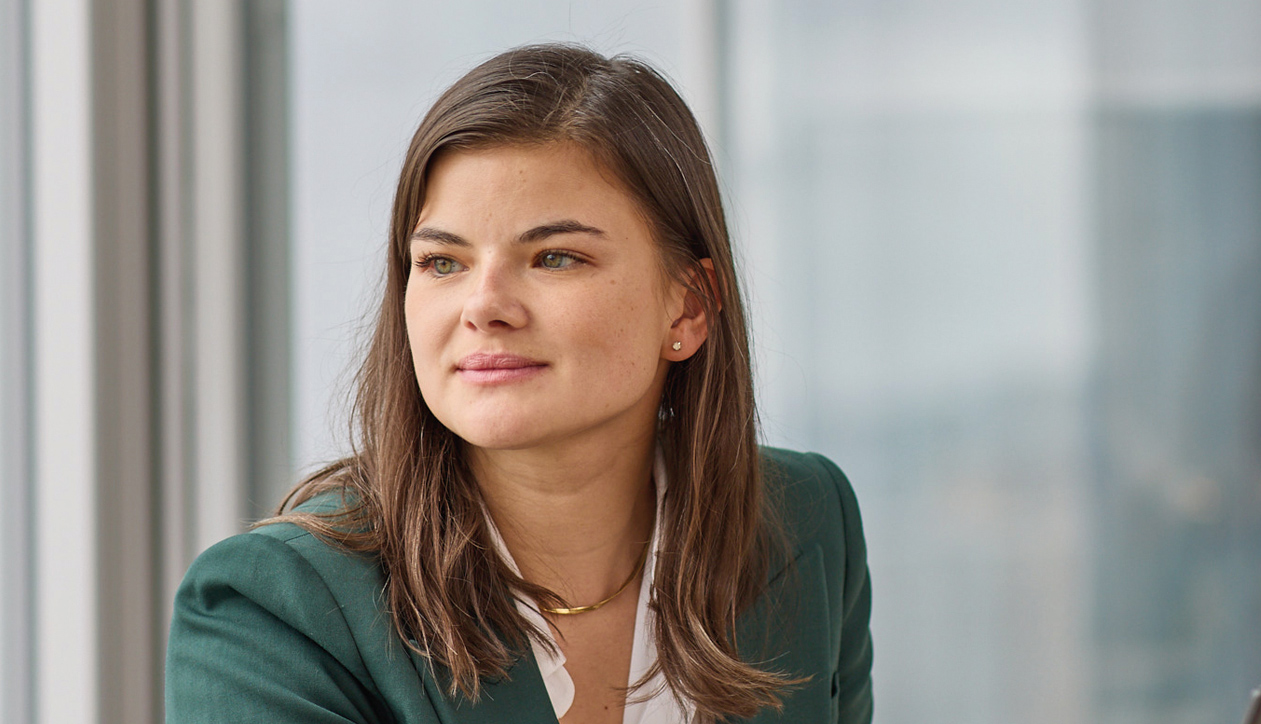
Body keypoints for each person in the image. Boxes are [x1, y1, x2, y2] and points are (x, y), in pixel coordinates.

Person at [165, 43, 872, 724]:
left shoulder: (806, 524)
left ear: (688, 304)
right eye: (443, 263)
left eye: (555, 257)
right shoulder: (274, 608)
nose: (484, 306)